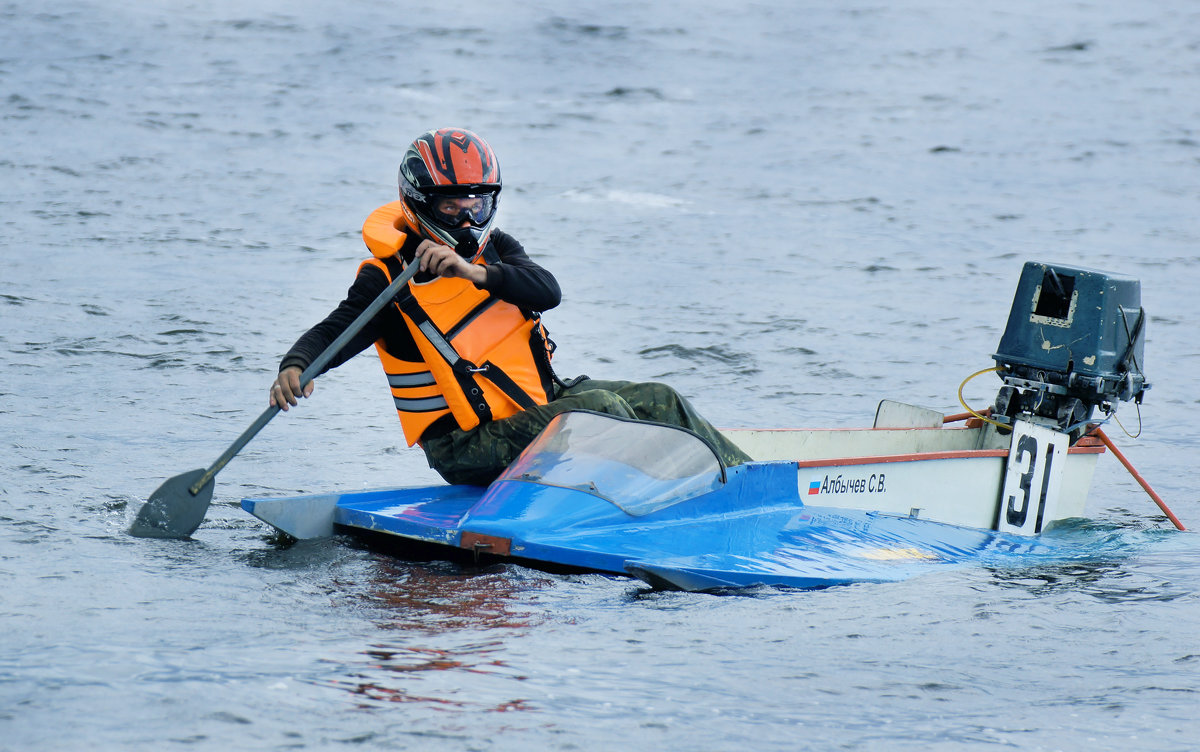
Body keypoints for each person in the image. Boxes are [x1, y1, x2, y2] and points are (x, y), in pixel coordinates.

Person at [269, 127, 750, 486]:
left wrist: (472, 272)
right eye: (452, 207)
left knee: (660, 398)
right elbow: (334, 332)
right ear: (418, 202)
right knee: (601, 409)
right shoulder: (388, 280)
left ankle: (745, 480)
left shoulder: (495, 249)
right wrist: (295, 366)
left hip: (533, 406)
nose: (468, 217)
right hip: (465, 444)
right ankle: (670, 488)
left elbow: (547, 290)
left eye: (478, 204)